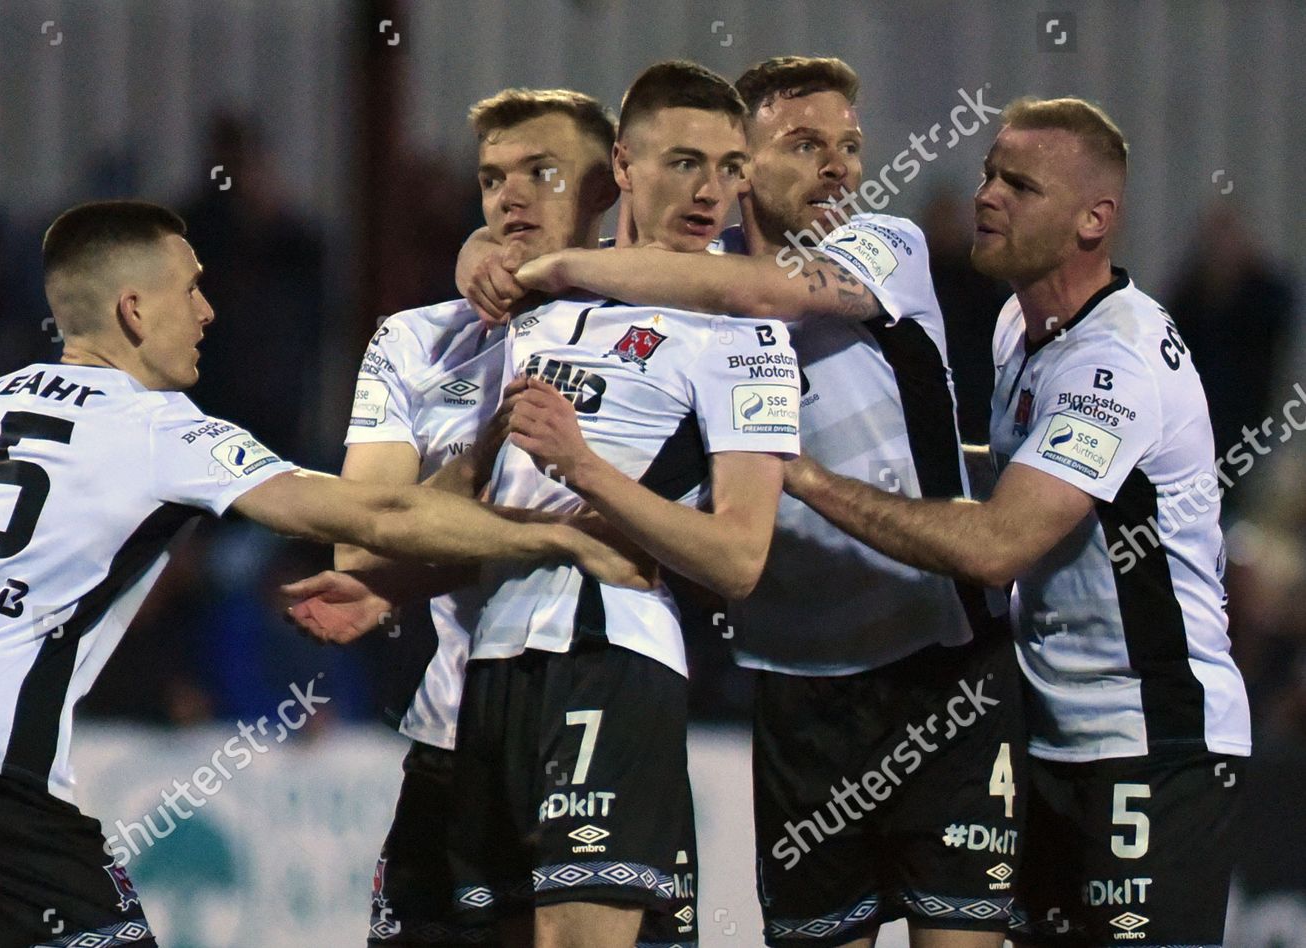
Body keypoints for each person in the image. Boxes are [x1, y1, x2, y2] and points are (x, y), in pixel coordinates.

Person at [0, 200, 645, 948]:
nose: (207, 311)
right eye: (191, 289)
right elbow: (374, 516)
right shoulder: (153, 426)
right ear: (133, 309)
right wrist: (561, 535)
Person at [485, 56, 1021, 947]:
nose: (840, 167)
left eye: (849, 146)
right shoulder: (678, 293)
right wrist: (495, 255)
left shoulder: (883, 246)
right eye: (803, 145)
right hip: (797, 687)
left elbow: (757, 293)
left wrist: (556, 262)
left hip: (943, 667)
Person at [775, 99, 1251, 946]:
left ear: (1093, 220)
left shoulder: (1115, 364)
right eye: (991, 173)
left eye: (1020, 185)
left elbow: (998, 546)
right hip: (1051, 739)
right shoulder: (1016, 325)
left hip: (1153, 742)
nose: (987, 195)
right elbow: (1013, 473)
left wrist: (809, 479)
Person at [326, 87, 693, 948]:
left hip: (604, 715)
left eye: (543, 172)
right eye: (493, 180)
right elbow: (360, 544)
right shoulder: (414, 342)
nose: (511, 198)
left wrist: (452, 532)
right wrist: (485, 456)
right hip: (453, 741)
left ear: (610, 183)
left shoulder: (671, 328)